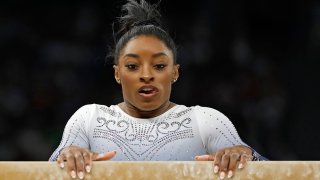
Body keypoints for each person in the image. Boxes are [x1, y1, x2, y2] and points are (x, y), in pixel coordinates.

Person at [49, 0, 267, 179]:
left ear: (175, 72)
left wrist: (245, 155)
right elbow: (52, 166)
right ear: (117, 73)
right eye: (133, 66)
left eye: (159, 66)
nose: (146, 75)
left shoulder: (205, 120)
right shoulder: (89, 118)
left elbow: (272, 171)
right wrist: (68, 155)